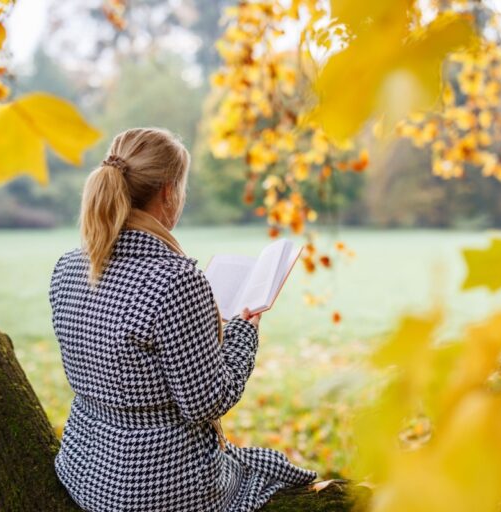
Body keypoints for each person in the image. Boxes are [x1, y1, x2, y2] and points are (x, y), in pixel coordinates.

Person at [49, 127, 317, 512]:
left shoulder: (69, 267)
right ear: (168, 192)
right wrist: (244, 332)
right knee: (273, 471)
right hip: (160, 486)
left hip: (85, 470)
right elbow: (207, 403)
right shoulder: (176, 280)